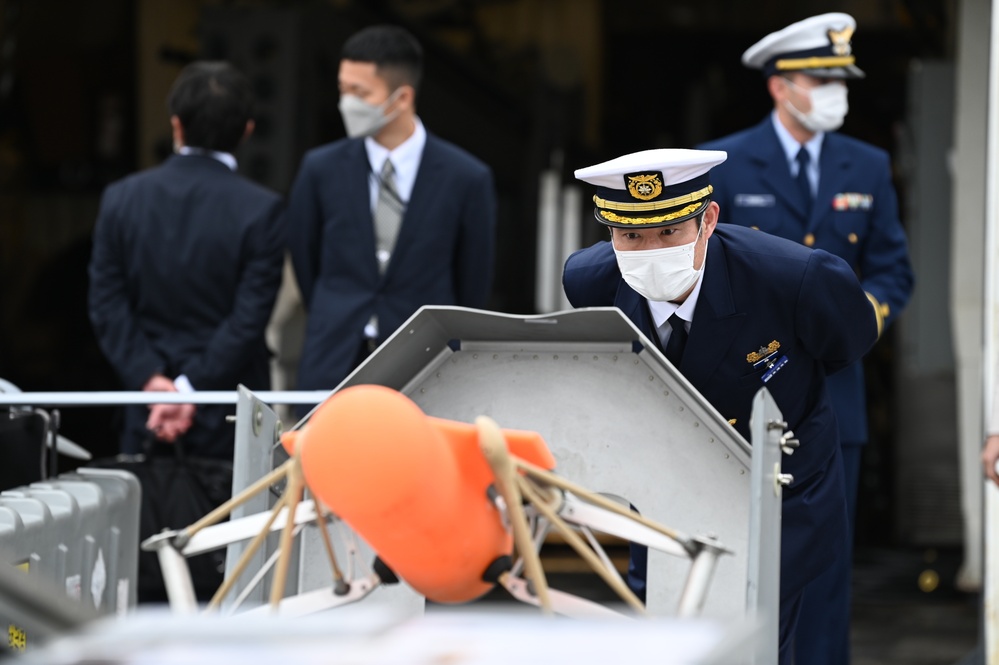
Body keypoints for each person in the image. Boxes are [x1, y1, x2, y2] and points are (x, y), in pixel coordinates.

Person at [562, 148, 878, 664]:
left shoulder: (796, 278)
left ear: (708, 220)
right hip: (666, 485)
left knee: (749, 639)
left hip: (777, 489)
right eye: (631, 236)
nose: (649, 251)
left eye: (668, 233)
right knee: (664, 631)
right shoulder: (590, 279)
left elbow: (846, 344)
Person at [697, 14, 914, 664]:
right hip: (739, 396)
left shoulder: (867, 165)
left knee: (821, 573)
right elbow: (706, 268)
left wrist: (859, 322)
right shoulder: (724, 163)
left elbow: (890, 268)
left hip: (833, 396)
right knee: (734, 560)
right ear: (778, 86)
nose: (833, 93)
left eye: (839, 80)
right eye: (819, 79)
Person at [88, 61, 285, 459]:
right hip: (231, 410)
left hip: (145, 410)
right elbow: (249, 318)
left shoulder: (121, 198)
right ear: (247, 130)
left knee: (141, 517)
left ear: (176, 125)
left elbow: (106, 302)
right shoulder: (262, 209)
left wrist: (152, 381)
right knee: (238, 522)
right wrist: (188, 387)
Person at [287, 25, 497, 397]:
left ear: (401, 98)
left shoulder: (466, 177)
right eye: (343, 89)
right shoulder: (319, 168)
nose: (346, 103)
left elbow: (473, 283)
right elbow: (306, 261)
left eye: (360, 92)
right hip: (333, 358)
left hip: (425, 363)